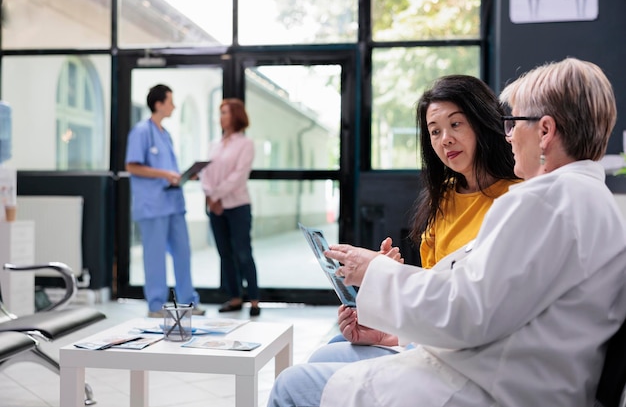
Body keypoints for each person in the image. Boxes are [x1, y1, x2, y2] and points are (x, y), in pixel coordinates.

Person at [268, 57, 626, 407]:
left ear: (545, 131)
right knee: (325, 359)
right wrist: (387, 315)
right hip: (506, 369)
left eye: (515, 123)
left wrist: (376, 272)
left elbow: (466, 311)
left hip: (490, 384)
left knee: (291, 386)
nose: (511, 136)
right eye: (435, 131)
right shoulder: (589, 201)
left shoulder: (542, 202)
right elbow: (483, 303)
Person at [311, 74, 520, 360]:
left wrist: (388, 275)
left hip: (468, 353)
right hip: (432, 340)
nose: (446, 140)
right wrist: (388, 333)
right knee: (335, 345)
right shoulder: (444, 196)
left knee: (318, 364)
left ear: (483, 122)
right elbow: (432, 292)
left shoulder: (516, 199)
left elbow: (471, 305)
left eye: (455, 124)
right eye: (435, 131)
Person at [125, 84, 203, 318]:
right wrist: (165, 175)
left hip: (173, 204)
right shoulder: (141, 132)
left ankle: (188, 302)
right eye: (170, 101)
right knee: (155, 258)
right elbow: (132, 166)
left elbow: (168, 169)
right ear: (158, 104)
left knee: (183, 253)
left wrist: (182, 176)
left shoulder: (165, 134)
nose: (174, 106)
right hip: (152, 206)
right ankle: (156, 306)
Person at [199, 98, 261, 317]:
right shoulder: (214, 144)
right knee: (225, 253)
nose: (221, 116)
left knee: (243, 253)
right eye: (220, 112)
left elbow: (238, 176)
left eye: (225, 112)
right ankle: (235, 297)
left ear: (236, 116)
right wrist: (209, 195)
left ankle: (253, 299)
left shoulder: (245, 144)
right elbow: (204, 173)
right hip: (215, 207)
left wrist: (215, 196)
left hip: (237, 206)